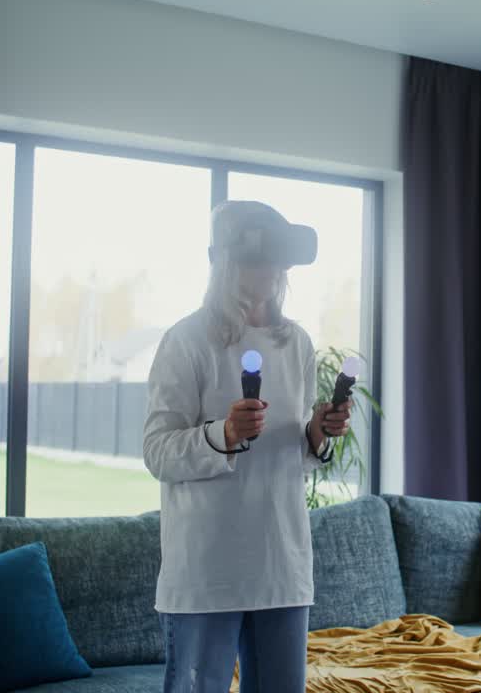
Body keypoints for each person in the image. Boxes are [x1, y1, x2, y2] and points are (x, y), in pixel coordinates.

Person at [143, 200, 353, 693]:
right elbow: (157, 451)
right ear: (223, 261)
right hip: (206, 570)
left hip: (281, 563)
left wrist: (316, 435)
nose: (272, 269)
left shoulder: (295, 342)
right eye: (257, 257)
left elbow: (293, 457)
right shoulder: (186, 340)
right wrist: (224, 435)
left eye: (278, 258)